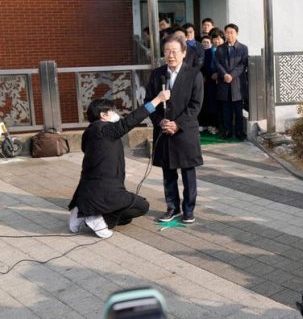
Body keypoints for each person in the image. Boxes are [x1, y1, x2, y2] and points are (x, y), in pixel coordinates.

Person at [68, 90, 171, 238]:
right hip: (104, 190)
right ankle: (96, 218)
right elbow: (131, 120)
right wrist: (158, 99)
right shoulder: (105, 130)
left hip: (87, 191)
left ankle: (82, 212)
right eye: (112, 111)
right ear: (103, 115)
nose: (116, 114)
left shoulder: (90, 132)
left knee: (126, 218)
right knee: (142, 206)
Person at [145, 34, 204, 224]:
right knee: (167, 172)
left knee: (188, 173)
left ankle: (189, 210)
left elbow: (195, 105)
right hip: (163, 131)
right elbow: (148, 102)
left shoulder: (194, 74)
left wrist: (177, 124)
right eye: (167, 51)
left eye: (175, 51)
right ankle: (172, 207)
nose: (171, 55)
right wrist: (160, 121)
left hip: (185, 131)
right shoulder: (157, 74)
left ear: (184, 53)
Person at [215, 23, 249, 140]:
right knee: (226, 110)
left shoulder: (243, 48)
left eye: (231, 32)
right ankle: (227, 131)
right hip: (224, 83)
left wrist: (231, 75)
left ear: (237, 33)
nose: (229, 35)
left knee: (238, 111)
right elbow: (217, 63)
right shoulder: (220, 48)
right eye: (227, 32)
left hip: (237, 84)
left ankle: (239, 132)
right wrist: (224, 74)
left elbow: (242, 65)